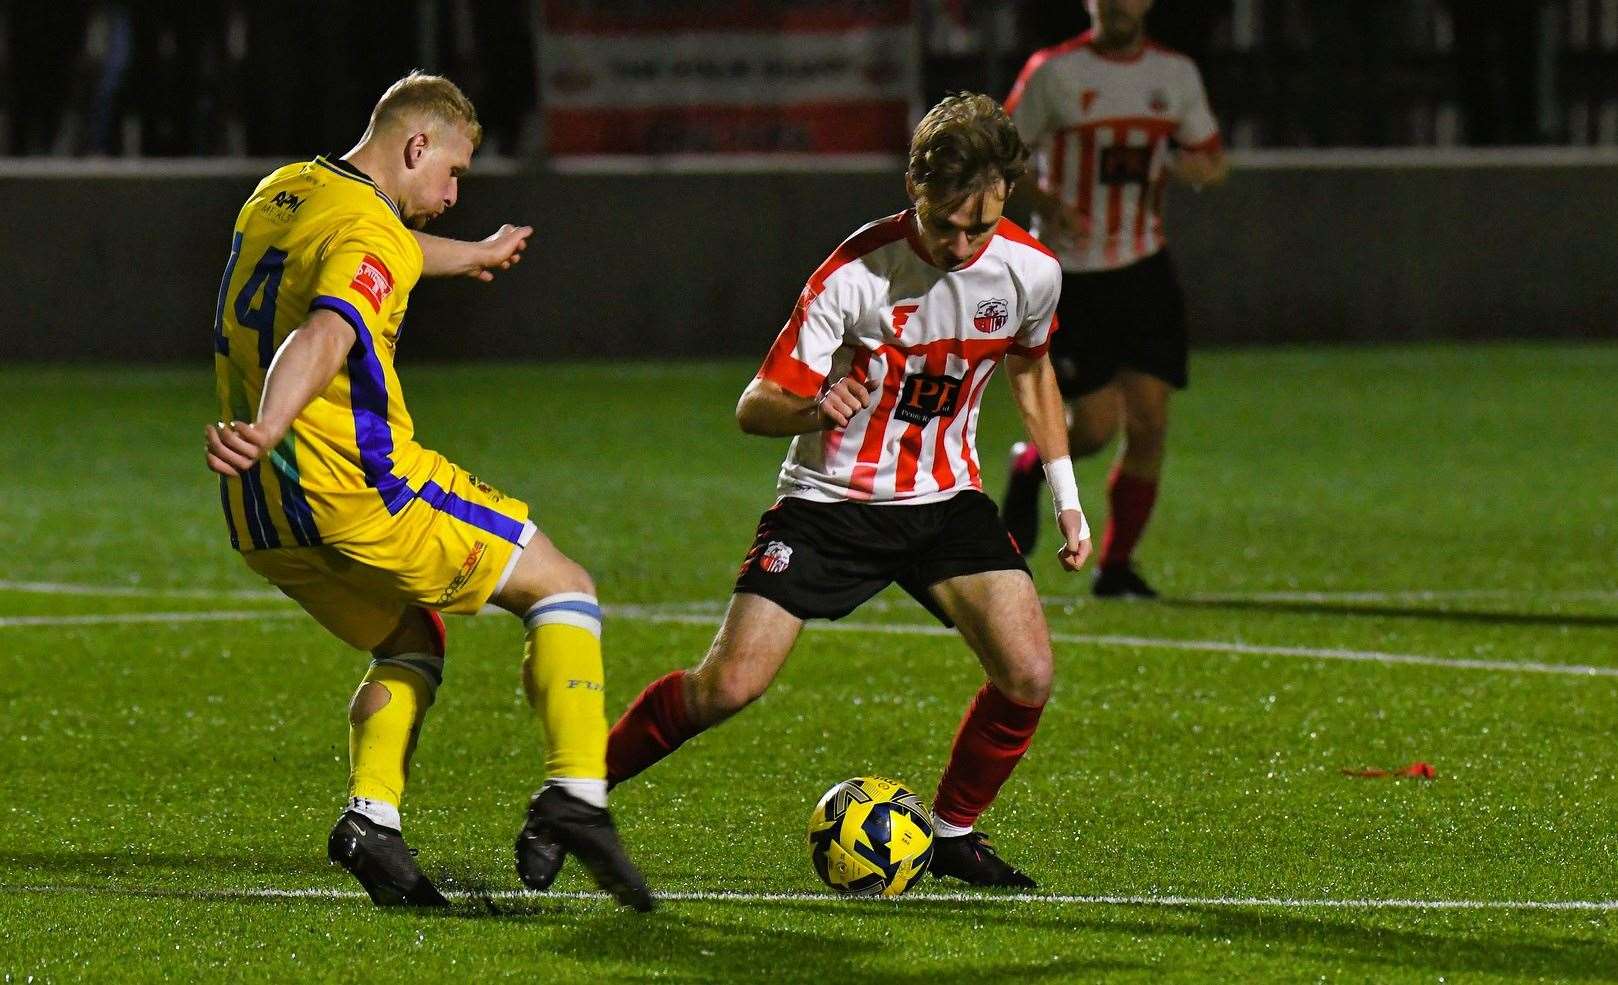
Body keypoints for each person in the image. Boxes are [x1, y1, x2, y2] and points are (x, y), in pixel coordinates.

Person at [601, 93, 1091, 888]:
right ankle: (578, 790)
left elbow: (1031, 369)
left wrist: (1067, 497)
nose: (962, 243)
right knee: (728, 685)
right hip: (829, 502)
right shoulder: (854, 273)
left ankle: (956, 831)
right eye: (945, 223)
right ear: (913, 189)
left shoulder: (1031, 272)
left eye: (981, 224)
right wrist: (813, 404)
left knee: (1029, 672)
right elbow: (753, 406)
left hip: (943, 501)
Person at [203, 71, 652, 911]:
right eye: (452, 173)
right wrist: (271, 419)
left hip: (263, 512)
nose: (452, 194)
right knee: (565, 589)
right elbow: (328, 328)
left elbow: (377, 256)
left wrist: (473, 252)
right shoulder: (372, 236)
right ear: (415, 147)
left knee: (412, 638)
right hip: (360, 489)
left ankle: (371, 819)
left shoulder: (285, 192)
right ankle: (578, 794)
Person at [998, 0, 1227, 599]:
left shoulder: (1175, 74)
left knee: (1150, 422)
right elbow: (1000, 155)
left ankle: (1115, 566)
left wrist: (1198, 169)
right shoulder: (1055, 72)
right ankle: (1027, 470)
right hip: (1073, 276)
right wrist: (1046, 205)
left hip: (1145, 270)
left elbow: (1210, 156)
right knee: (1096, 429)